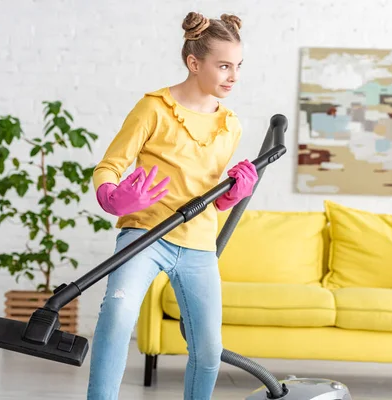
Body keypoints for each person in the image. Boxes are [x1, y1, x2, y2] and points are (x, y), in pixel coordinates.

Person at [86, 11, 257, 400]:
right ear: (194, 63)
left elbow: (211, 194)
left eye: (238, 66)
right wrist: (113, 197)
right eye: (224, 65)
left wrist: (232, 194)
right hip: (144, 236)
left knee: (209, 349)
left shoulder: (231, 125)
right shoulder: (154, 108)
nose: (233, 76)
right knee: (116, 319)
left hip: (198, 244)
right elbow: (109, 166)